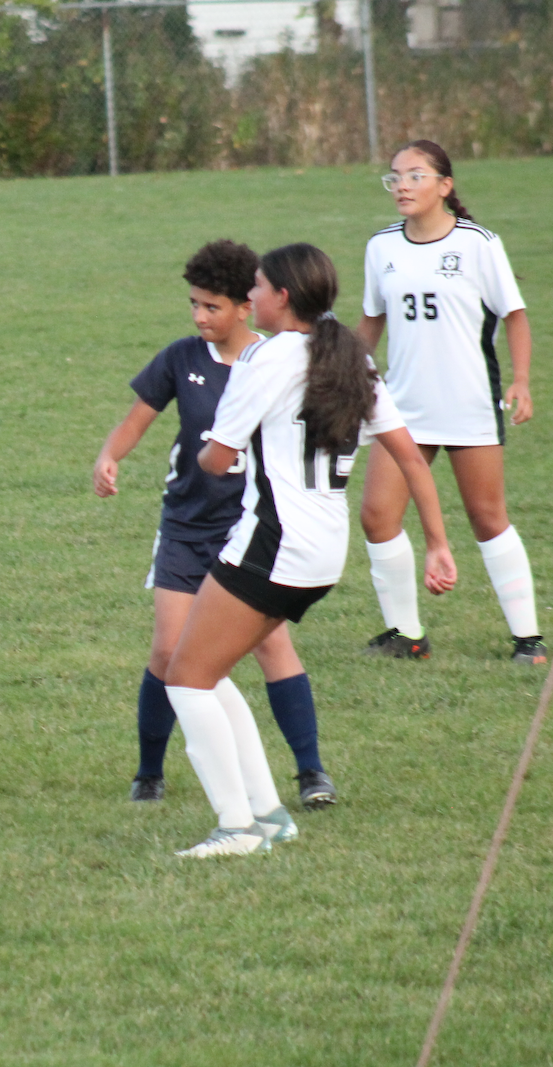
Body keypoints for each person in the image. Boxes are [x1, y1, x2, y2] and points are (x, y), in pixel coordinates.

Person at [163, 243, 457, 858]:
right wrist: (437, 542)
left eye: (258, 287)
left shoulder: (266, 358)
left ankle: (237, 828)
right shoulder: (352, 356)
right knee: (206, 671)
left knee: (185, 679)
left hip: (274, 543)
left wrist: (211, 451)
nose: (251, 296)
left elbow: (217, 458)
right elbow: (409, 457)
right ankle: (269, 817)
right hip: (324, 550)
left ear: (281, 297)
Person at [95, 240, 337, 811]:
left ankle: (311, 772)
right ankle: (149, 772)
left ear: (246, 305)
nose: (200, 316)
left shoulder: (275, 361)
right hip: (185, 526)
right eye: (194, 304)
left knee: (273, 647)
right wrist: (110, 456)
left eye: (212, 306)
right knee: (167, 651)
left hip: (248, 528)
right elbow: (137, 418)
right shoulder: (182, 359)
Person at [358, 139, 543, 664]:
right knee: (376, 515)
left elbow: (515, 315)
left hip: (467, 403)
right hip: (402, 407)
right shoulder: (381, 247)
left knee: (487, 516)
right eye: (395, 176)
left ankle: (528, 640)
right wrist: (346, 378)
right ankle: (406, 635)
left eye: (415, 175)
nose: (402, 185)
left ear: (445, 185)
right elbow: (371, 320)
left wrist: (521, 380)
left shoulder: (479, 244)